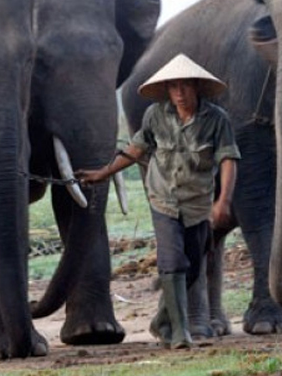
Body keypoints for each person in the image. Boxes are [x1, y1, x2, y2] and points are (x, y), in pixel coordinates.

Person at [75, 53, 240, 349]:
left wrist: (223, 201)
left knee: (190, 267)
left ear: (196, 87)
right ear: (167, 90)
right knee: (172, 262)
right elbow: (136, 149)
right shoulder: (155, 115)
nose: (179, 93)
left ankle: (160, 321)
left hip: (198, 203)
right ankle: (179, 333)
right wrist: (104, 172)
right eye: (173, 87)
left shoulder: (217, 120)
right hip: (163, 201)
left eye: (184, 86)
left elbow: (228, 159)